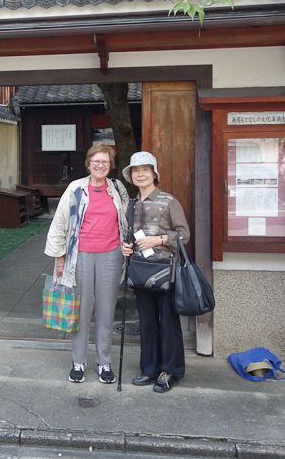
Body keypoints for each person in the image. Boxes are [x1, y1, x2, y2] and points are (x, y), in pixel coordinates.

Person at [45, 142, 130, 384]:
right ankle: (78, 361)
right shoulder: (75, 188)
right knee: (80, 311)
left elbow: (126, 221)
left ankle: (104, 363)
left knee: (106, 312)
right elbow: (60, 223)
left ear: (110, 165)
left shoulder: (117, 189)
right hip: (79, 256)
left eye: (105, 161)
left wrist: (127, 245)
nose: (100, 165)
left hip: (111, 255)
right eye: (96, 161)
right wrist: (60, 259)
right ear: (89, 164)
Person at [120, 151, 190, 393]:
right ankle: (149, 369)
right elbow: (128, 235)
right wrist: (125, 246)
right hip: (139, 271)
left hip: (164, 272)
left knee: (168, 324)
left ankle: (170, 371)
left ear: (154, 174)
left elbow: (184, 235)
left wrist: (157, 240)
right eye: (136, 171)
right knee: (147, 323)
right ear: (132, 176)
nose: (140, 174)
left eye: (145, 170)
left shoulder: (169, 201)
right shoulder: (130, 204)